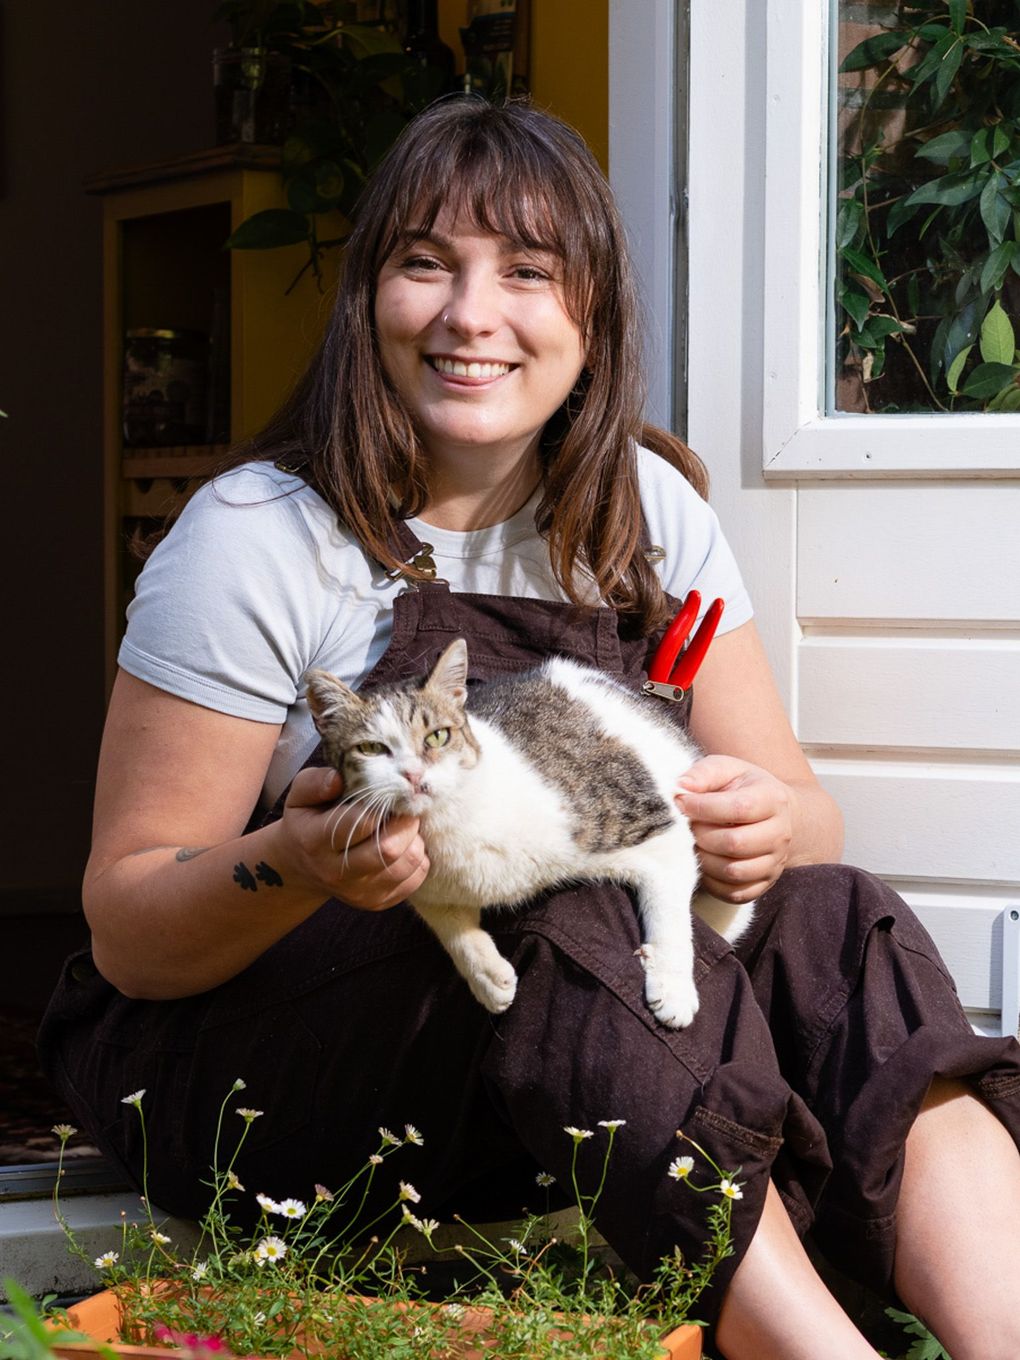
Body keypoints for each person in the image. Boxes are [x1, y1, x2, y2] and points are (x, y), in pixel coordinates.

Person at [40, 98, 1020, 1360]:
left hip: (543, 1085)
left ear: (591, 315)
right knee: (554, 892)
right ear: (367, 297)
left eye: (528, 271)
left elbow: (802, 809)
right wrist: (294, 864)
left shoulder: (647, 511)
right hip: (254, 1078)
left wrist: (759, 822)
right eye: (425, 263)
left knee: (839, 915)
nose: (471, 315)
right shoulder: (255, 535)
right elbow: (128, 932)